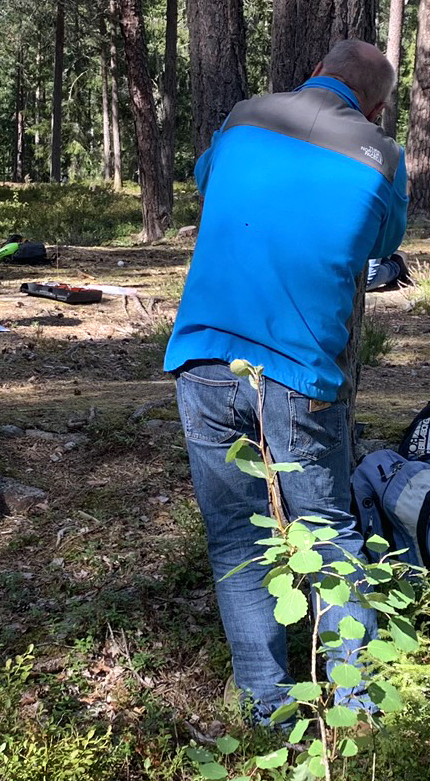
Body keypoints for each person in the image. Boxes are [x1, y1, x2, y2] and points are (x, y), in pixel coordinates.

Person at [165, 39, 407, 725]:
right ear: (377, 106)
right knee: (330, 533)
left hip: (205, 355)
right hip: (301, 371)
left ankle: (266, 710)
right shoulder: (382, 155)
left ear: (314, 73)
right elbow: (385, 243)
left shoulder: (244, 117)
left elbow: (209, 179)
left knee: (236, 540)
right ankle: (355, 709)